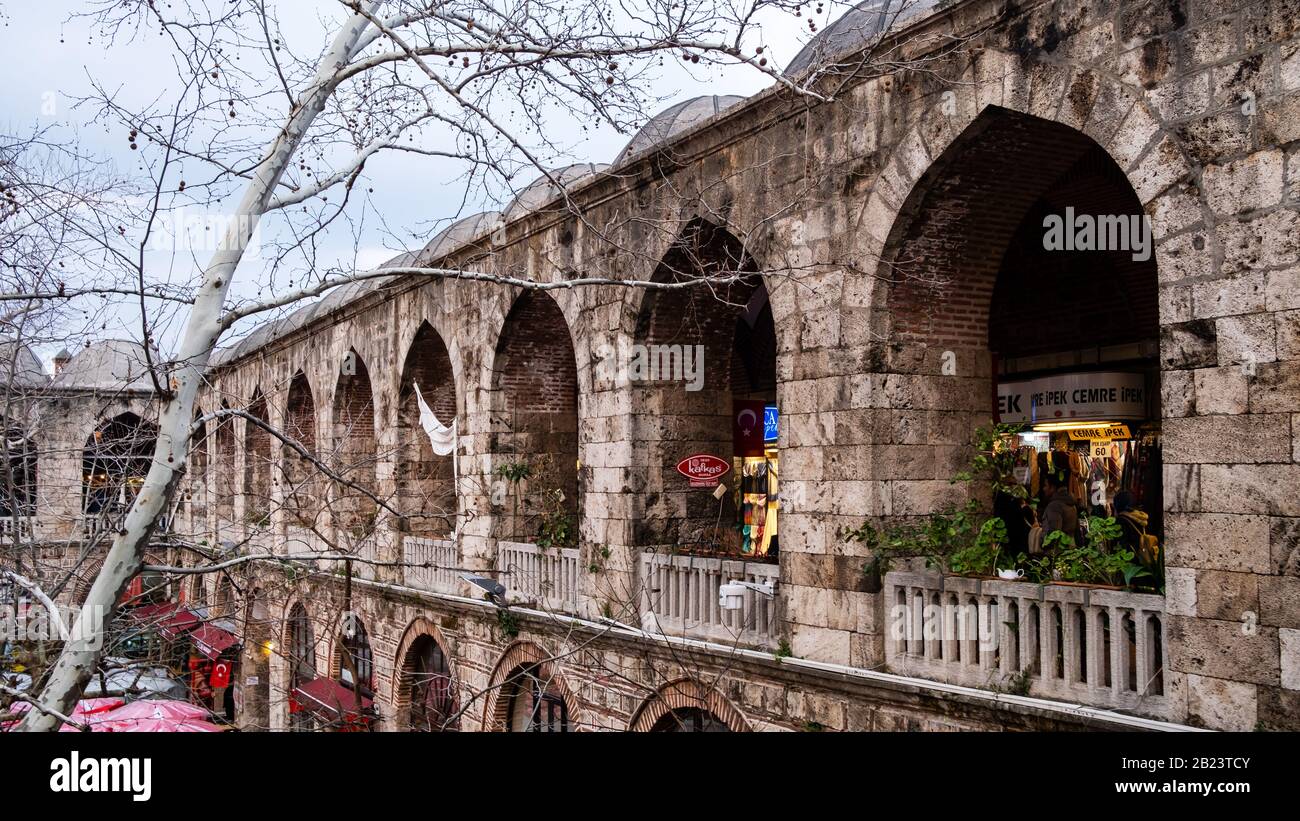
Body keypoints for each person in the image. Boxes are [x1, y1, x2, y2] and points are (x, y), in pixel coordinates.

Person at [1039, 469, 1079, 544]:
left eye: (1045, 485)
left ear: (1052, 487)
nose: (1044, 489)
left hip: (1058, 552)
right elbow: (1077, 530)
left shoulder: (1054, 506)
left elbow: (1054, 534)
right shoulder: (1070, 503)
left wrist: (1042, 543)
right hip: (1071, 548)